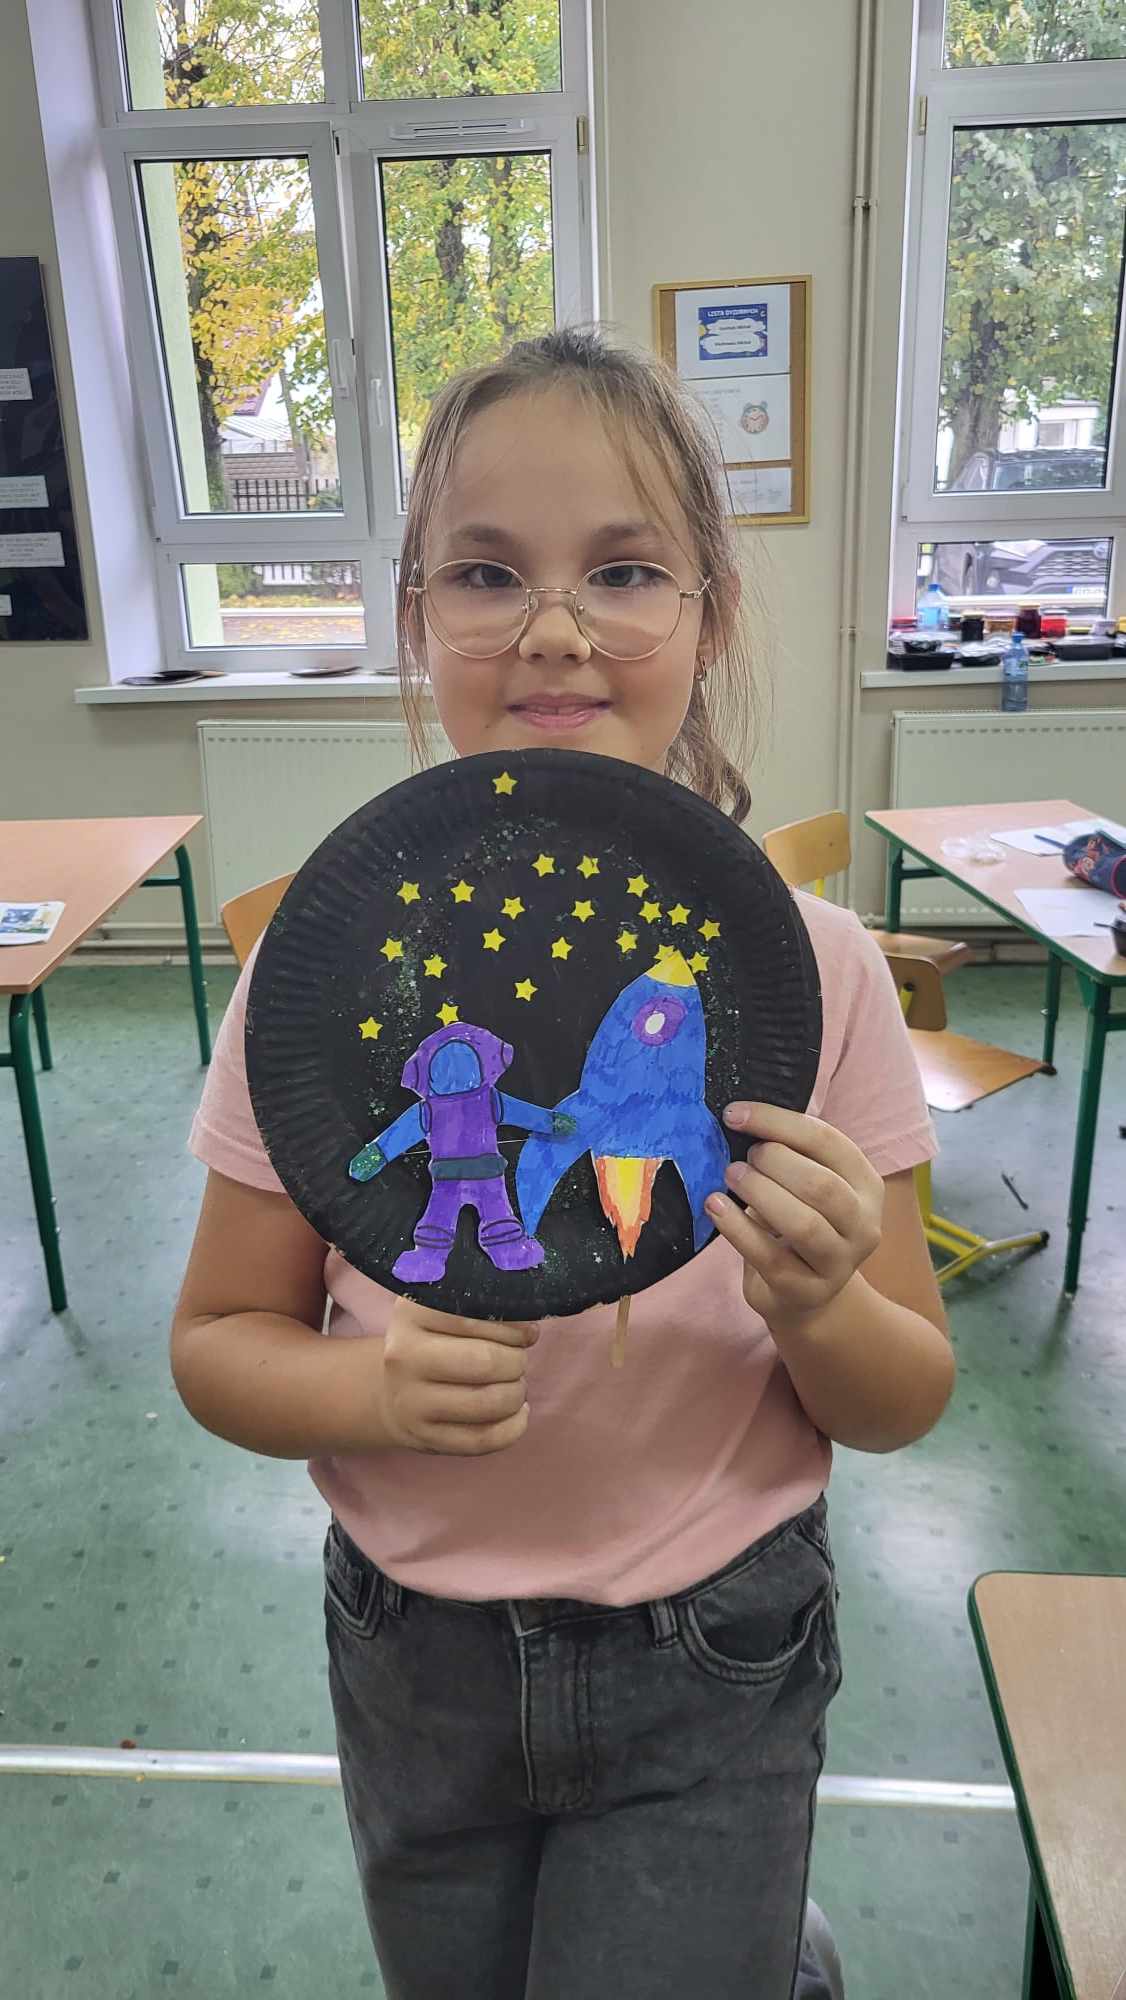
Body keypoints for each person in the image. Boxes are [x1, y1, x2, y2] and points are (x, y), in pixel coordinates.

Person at [173, 327, 954, 1999]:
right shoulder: (320, 984)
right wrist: (366, 1393)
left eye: (622, 569)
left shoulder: (813, 978)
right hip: (414, 1658)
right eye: (483, 573)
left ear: (707, 616)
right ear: (416, 619)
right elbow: (218, 1343)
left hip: (715, 1644)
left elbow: (901, 1398)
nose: (551, 628)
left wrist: (818, 1301)